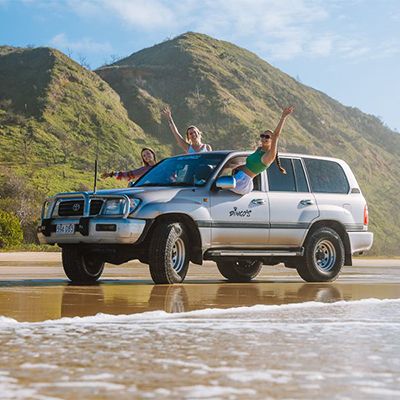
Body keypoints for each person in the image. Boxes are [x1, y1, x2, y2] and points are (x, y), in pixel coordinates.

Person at [231, 106, 295, 195]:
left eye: (267, 137)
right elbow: (248, 165)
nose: (264, 138)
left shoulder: (269, 156)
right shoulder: (259, 150)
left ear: (272, 140)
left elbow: (276, 135)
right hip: (237, 177)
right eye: (263, 135)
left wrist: (283, 117)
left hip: (243, 183)